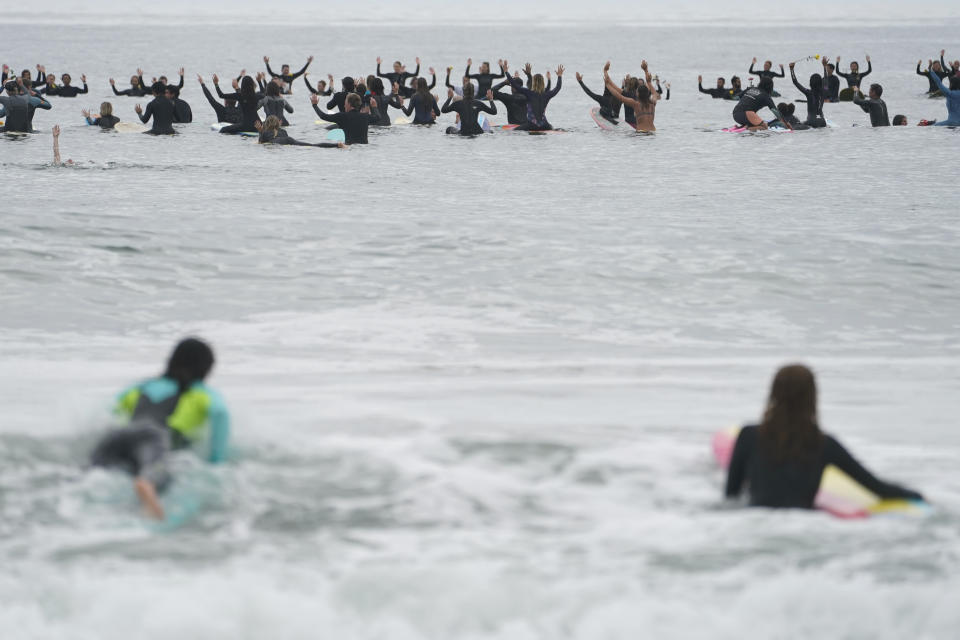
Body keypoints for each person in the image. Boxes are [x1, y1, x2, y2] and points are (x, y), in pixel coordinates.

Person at [725, 364, 923, 509]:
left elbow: (731, 495)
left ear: (773, 395)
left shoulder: (748, 436)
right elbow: (877, 488)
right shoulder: (824, 445)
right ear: (813, 397)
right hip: (806, 524)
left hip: (755, 519)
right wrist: (917, 496)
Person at [89, 338, 230, 521]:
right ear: (205, 369)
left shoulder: (141, 386)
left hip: (117, 436)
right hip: (153, 437)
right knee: (155, 477)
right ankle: (147, 486)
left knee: (90, 475)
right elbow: (220, 413)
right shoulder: (201, 392)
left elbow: (111, 409)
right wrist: (216, 463)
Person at [501, 61, 563, 131]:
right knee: (552, 127)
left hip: (531, 125)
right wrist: (559, 76)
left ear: (533, 82)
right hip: (545, 125)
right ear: (543, 83)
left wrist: (506, 72)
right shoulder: (547, 94)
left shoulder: (529, 93)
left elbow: (515, 85)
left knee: (514, 130)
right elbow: (557, 88)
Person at [603, 61, 659, 132]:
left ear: (637, 94)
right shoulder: (653, 103)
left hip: (640, 132)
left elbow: (619, 96)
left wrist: (607, 83)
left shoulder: (635, 104)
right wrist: (646, 73)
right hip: (653, 132)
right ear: (647, 93)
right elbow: (655, 94)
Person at [311, 91, 377, 144]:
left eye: (345, 103)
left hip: (349, 148)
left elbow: (323, 116)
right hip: (365, 148)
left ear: (349, 104)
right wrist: (374, 107)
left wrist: (314, 105)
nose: (344, 106)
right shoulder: (365, 116)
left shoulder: (342, 116)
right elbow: (378, 117)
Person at [256, 115, 344, 147]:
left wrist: (260, 131)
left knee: (314, 146)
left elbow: (261, 143)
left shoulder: (265, 133)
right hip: (290, 140)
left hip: (279, 142)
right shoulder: (283, 131)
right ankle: (336, 144)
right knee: (313, 145)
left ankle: (337, 145)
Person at [789, 62, 826, 128]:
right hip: (822, 122)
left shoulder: (808, 93)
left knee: (795, 124)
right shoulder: (823, 92)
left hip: (810, 122)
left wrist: (791, 70)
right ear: (821, 82)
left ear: (810, 82)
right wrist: (824, 66)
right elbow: (826, 79)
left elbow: (795, 82)